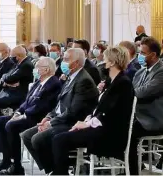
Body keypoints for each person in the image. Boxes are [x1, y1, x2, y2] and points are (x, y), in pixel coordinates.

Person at [52, 46, 135, 176]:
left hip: (110, 132)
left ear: (112, 62)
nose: (103, 60)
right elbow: (98, 108)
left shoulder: (123, 82)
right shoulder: (110, 81)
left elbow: (111, 112)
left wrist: (87, 124)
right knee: (59, 137)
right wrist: (85, 121)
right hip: (100, 127)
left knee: (60, 140)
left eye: (106, 58)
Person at [20, 48, 99, 175]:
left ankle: (58, 171)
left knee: (37, 139)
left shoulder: (83, 81)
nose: (63, 61)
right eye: (63, 58)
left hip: (72, 122)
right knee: (26, 136)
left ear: (77, 63)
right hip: (60, 118)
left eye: (67, 59)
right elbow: (59, 104)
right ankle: (53, 169)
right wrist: (48, 117)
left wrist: (51, 123)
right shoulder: (70, 77)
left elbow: (73, 111)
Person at [0, 57, 61, 175]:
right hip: (27, 114)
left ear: (46, 70)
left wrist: (24, 115)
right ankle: (6, 160)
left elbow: (43, 106)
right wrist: (18, 112)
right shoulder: (39, 82)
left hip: (38, 118)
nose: (35, 70)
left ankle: (16, 165)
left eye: (38, 67)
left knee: (11, 125)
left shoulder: (54, 84)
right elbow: (26, 101)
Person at [128, 37, 163, 175]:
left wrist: (123, 94)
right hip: (139, 116)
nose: (139, 56)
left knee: (128, 131)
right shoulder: (140, 72)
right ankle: (124, 167)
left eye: (142, 53)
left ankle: (133, 171)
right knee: (116, 125)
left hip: (155, 118)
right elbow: (131, 92)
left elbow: (141, 93)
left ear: (153, 55)